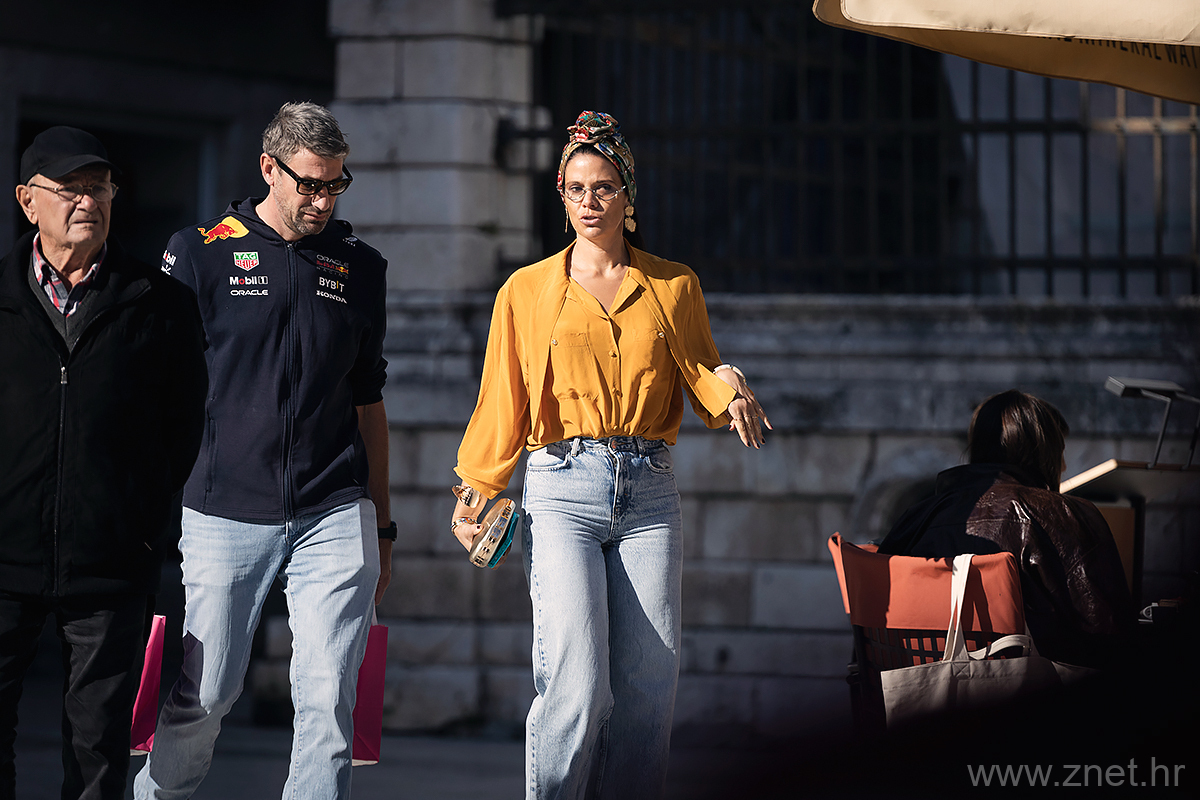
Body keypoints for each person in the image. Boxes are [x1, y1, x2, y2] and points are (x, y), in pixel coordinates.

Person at [450, 110, 770, 799]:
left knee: (649, 688)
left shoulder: (674, 285)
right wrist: (477, 490)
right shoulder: (526, 290)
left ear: (629, 196)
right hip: (560, 487)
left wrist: (730, 385)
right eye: (576, 189)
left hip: (649, 489)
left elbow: (699, 367)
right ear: (561, 198)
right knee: (577, 681)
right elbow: (502, 396)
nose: (589, 202)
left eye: (603, 188)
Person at [135, 102, 393, 800]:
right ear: (268, 169)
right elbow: (156, 392)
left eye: (336, 184)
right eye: (310, 183)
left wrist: (382, 522)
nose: (323, 200)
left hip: (335, 506)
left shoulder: (361, 266)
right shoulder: (198, 252)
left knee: (329, 702)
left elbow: (369, 400)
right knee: (208, 691)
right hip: (222, 505)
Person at [0, 126, 207, 799]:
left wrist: (139, 520)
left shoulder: (162, 304)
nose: (87, 201)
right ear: (28, 201)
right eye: (70, 189)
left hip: (112, 564)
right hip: (4, 558)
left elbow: (183, 425)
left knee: (99, 750)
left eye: (99, 187)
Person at [878, 389, 1134, 667]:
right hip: (1031, 689)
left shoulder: (915, 519)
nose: (1064, 466)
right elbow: (1109, 635)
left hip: (922, 687)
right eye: (1060, 452)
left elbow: (877, 627)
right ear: (1046, 455)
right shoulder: (1065, 515)